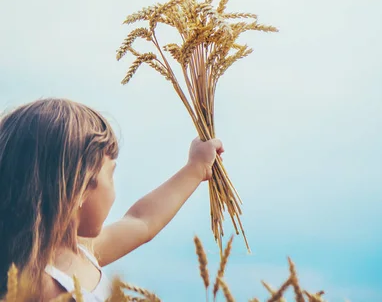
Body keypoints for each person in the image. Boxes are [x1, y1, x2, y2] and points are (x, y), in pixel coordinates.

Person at [0, 98, 223, 301]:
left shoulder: (81, 251)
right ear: (80, 187)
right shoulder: (42, 289)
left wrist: (195, 169)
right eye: (111, 174)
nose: (115, 186)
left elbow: (142, 221)